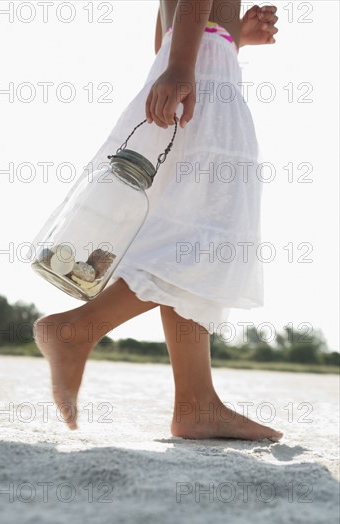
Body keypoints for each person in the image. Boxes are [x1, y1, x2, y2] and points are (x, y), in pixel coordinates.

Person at [34, 1, 283, 441]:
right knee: (209, 237)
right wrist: (186, 65)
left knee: (188, 233)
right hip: (197, 71)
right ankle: (76, 330)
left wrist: (227, 41)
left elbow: (166, 27)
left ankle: (196, 404)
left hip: (196, 63)